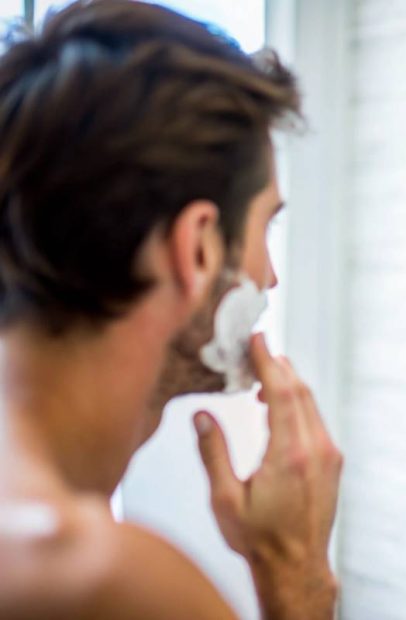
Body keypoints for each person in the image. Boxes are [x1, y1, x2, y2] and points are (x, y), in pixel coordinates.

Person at [0, 1, 341, 618]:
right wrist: (299, 575)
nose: (271, 275)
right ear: (199, 249)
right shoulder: (102, 582)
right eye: (266, 226)